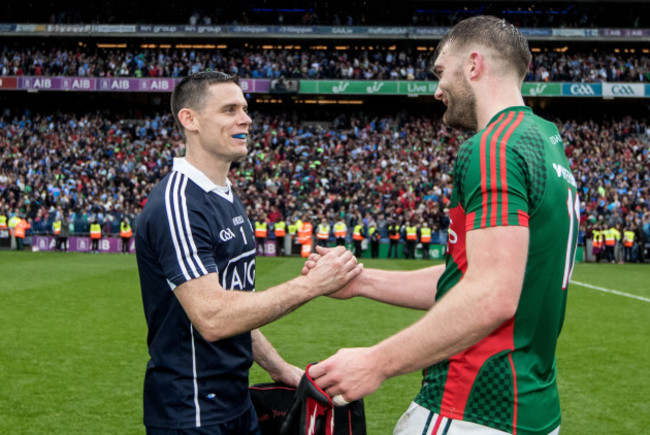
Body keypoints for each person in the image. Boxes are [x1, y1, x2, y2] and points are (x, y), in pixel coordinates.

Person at [307, 16, 579, 435]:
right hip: (532, 410)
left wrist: (375, 362)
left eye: (440, 72)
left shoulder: (493, 146)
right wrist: (362, 282)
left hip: (471, 404)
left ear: (473, 65)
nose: (436, 90)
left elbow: (491, 295)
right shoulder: (545, 139)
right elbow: (476, 274)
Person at [134, 71, 361, 435]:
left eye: (244, 108)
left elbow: (237, 308)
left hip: (236, 402)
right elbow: (213, 317)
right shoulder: (177, 203)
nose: (246, 118)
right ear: (189, 120)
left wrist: (278, 368)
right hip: (191, 409)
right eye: (229, 109)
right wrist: (311, 285)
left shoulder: (227, 196)